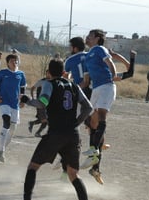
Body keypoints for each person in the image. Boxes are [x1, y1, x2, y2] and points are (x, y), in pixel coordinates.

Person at [21, 59, 93, 200]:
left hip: (55, 134)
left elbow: (43, 103)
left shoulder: (49, 84)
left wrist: (27, 100)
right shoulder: (74, 86)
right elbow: (88, 107)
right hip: (72, 134)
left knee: (33, 167)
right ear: (64, 72)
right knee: (73, 174)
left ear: (48, 72)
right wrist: (76, 123)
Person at [80, 29, 132, 183]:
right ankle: (94, 165)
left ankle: (94, 152)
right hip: (96, 89)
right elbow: (87, 79)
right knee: (91, 124)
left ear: (96, 38)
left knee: (101, 115)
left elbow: (110, 62)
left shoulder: (99, 49)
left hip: (106, 87)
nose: (87, 38)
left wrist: (113, 73)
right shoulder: (89, 54)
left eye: (90, 36)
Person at [0, 53, 27, 163]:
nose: (15, 62)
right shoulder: (3, 73)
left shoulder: (21, 74)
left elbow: (22, 88)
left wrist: (22, 101)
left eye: (16, 60)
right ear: (7, 63)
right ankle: (1, 150)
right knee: (6, 122)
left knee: (12, 130)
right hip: (4, 102)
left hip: (15, 104)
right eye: (12, 61)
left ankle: (0, 150)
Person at [28, 70, 50, 138]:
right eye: (48, 73)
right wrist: (33, 98)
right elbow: (32, 88)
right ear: (46, 74)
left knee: (45, 119)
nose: (49, 74)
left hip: (47, 104)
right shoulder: (42, 81)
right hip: (40, 103)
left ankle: (32, 123)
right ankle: (38, 133)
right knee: (45, 120)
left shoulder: (52, 82)